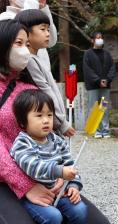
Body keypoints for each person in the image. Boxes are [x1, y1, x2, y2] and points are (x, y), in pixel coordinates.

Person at [0, 20, 114, 224]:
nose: (25, 50)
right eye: (19, 43)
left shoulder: (30, 87)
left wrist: (61, 176)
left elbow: (49, 137)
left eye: (28, 44)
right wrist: (26, 185)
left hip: (41, 174)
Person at [10, 89, 87, 224]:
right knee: (53, 217)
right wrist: (60, 172)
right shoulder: (22, 143)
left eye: (49, 115)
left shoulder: (57, 140)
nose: (46, 120)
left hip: (57, 193)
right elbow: (33, 167)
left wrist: (73, 185)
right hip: (32, 197)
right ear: (22, 122)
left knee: (80, 210)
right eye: (39, 116)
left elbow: (70, 165)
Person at [15, 9, 75, 137]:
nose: (48, 34)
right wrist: (62, 123)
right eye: (43, 29)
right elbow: (46, 91)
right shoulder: (29, 60)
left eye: (48, 30)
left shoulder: (37, 58)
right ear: (26, 34)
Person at [0, 0, 57, 71]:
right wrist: (31, 9)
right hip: (26, 73)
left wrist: (44, 9)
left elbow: (51, 41)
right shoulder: (5, 17)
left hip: (43, 68)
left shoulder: (35, 11)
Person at [83, 32, 115, 139]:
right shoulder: (88, 54)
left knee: (104, 107)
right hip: (93, 86)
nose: (99, 39)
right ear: (92, 40)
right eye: (97, 38)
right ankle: (95, 129)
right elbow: (87, 70)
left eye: (101, 37)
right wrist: (98, 80)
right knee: (94, 107)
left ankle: (105, 130)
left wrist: (107, 79)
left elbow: (112, 67)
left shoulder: (107, 54)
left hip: (106, 85)